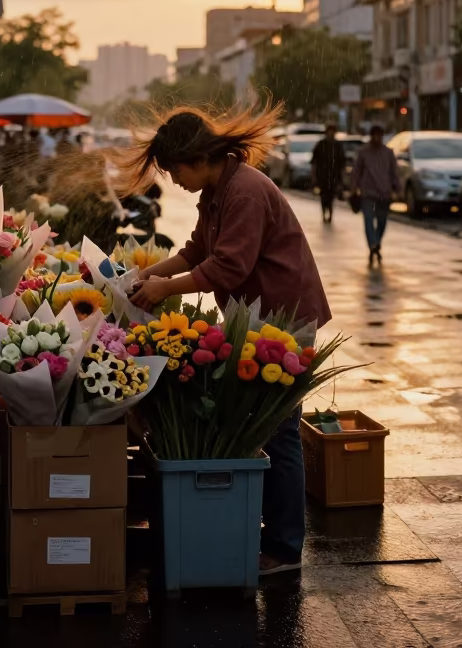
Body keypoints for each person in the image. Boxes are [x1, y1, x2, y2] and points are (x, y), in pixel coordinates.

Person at [123, 106, 330, 576]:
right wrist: (144, 275)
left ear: (196, 157)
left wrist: (164, 289)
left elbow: (229, 267)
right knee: (265, 426)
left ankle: (283, 550)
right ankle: (270, 534)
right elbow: (198, 250)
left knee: (279, 429)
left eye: (174, 169)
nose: (173, 180)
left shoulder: (245, 192)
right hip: (255, 316)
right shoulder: (218, 190)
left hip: (283, 316)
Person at [351, 124, 400, 266]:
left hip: (384, 193)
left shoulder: (388, 153)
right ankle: (372, 244)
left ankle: (377, 242)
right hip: (368, 193)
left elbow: (394, 173)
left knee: (382, 221)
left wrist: (398, 189)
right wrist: (354, 188)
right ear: (371, 136)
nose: (377, 138)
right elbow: (356, 172)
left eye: (380, 135)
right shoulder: (363, 152)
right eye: (375, 135)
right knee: (368, 220)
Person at [311, 124, 346, 223]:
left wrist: (341, 177)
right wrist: (314, 176)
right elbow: (314, 162)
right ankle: (324, 213)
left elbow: (342, 162)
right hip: (322, 176)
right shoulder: (321, 145)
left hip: (334, 176)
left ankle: (330, 214)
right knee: (323, 196)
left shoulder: (338, 146)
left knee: (331, 196)